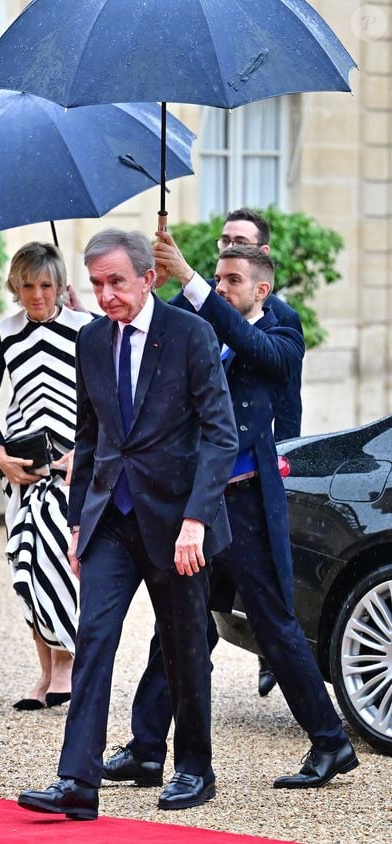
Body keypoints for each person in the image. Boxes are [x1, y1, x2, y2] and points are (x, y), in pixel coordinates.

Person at [103, 238, 358, 791]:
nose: (220, 288)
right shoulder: (205, 331)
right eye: (216, 279)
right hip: (200, 503)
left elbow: (251, 345)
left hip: (245, 504)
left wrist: (189, 277)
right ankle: (146, 748)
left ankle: (330, 741)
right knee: (177, 626)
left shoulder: (281, 336)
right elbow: (161, 328)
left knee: (273, 622)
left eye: (232, 280)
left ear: (261, 289)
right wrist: (140, 286)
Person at [17, 229, 238, 820]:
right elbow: (88, 437)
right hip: (109, 520)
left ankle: (194, 769)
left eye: (116, 281)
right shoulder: (90, 340)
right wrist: (76, 524)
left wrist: (196, 519)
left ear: (149, 277)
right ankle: (77, 782)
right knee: (93, 640)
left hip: (177, 524)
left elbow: (221, 436)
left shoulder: (191, 334)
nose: (106, 294)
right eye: (97, 284)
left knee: (183, 647)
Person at [170, 207, 303, 696]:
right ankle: (153, 730)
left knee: (270, 612)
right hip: (204, 488)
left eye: (238, 244)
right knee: (184, 621)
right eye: (223, 242)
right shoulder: (208, 301)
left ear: (261, 263)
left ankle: (319, 724)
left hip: (250, 483)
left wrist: (286, 457)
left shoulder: (282, 322)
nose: (227, 249)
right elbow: (165, 321)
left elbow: (281, 390)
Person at [0, 242, 93, 711]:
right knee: (23, 564)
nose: (38, 294)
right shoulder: (4, 333)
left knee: (57, 558)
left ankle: (65, 664)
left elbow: (108, 398)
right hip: (21, 468)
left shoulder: (86, 329)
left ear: (60, 285)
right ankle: (45, 672)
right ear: (15, 287)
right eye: (28, 286)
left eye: (46, 285)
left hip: (70, 467)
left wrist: (85, 452)